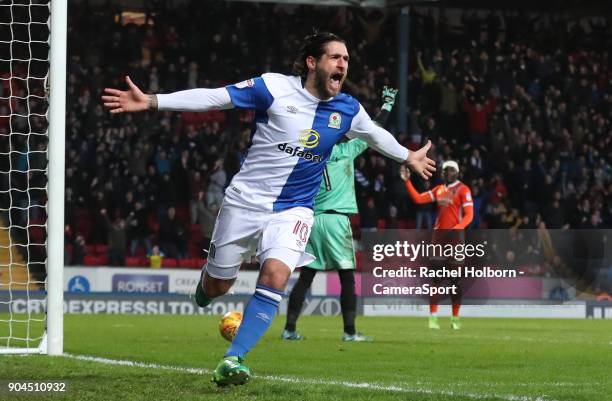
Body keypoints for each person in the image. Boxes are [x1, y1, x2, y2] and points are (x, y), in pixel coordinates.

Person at [102, 31, 435, 386]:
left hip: (294, 210)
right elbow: (216, 98)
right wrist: (153, 101)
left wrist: (407, 155)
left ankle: (233, 359)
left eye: (347, 59)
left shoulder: (348, 109)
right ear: (312, 62)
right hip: (245, 202)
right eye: (335, 57)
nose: (343, 64)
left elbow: (374, 135)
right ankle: (206, 286)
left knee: (275, 276)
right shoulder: (273, 87)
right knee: (217, 287)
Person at [282, 86, 398, 342]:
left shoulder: (309, 155)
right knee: (347, 277)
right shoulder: (346, 151)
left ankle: (289, 329)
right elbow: (374, 132)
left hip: (312, 219)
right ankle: (349, 332)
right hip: (336, 219)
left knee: (306, 276)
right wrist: (387, 104)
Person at [400, 160, 473, 330]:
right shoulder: (439, 189)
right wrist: (407, 181)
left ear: (457, 173)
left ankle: (455, 318)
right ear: (442, 173)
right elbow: (418, 199)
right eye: (446, 170)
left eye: (452, 170)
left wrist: (457, 228)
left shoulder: (463, 190)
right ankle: (433, 317)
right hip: (439, 240)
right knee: (436, 280)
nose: (449, 173)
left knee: (455, 282)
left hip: (455, 241)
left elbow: (469, 215)